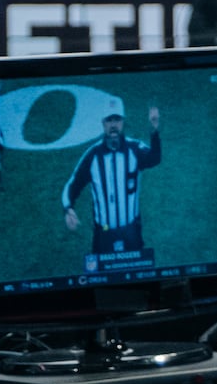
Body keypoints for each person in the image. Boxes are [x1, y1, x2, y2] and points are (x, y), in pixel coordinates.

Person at [61, 104, 163, 273]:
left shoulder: (135, 149)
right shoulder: (92, 155)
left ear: (123, 122)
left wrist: (154, 131)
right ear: (103, 123)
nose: (113, 124)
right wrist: (67, 208)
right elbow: (72, 184)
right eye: (109, 120)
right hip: (103, 232)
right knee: (102, 278)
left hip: (131, 229)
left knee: (138, 276)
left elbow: (155, 158)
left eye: (117, 119)